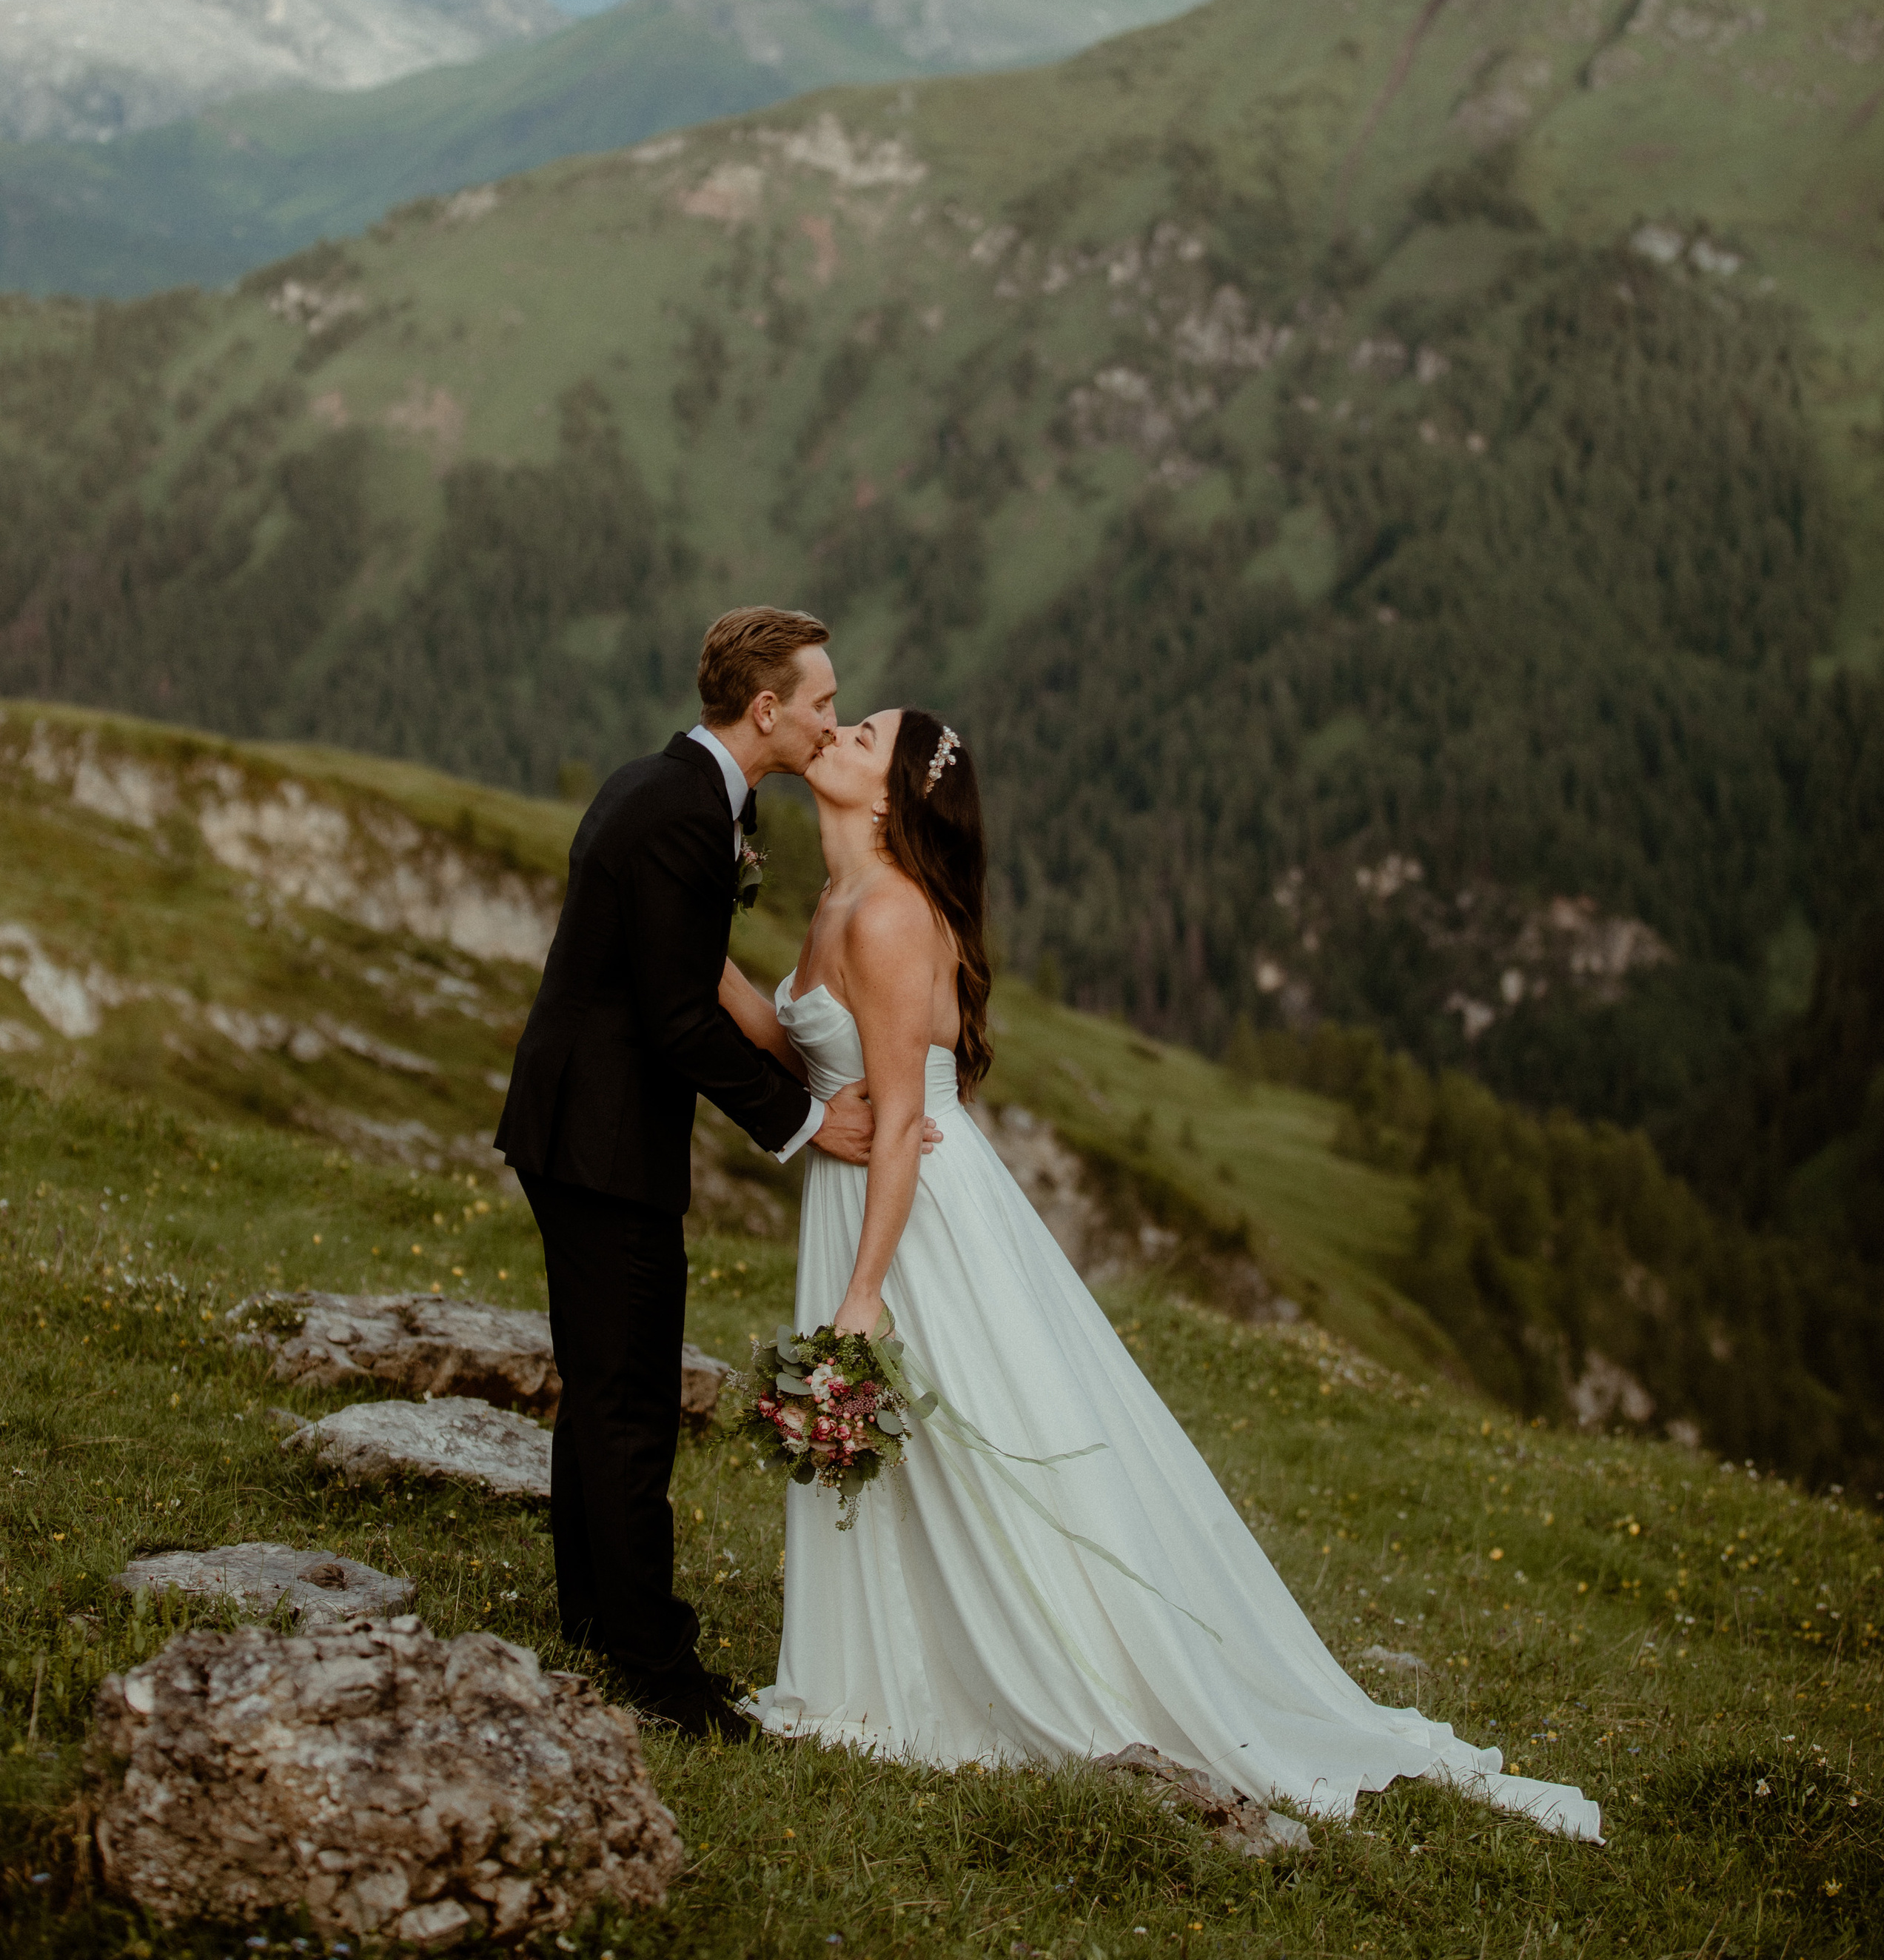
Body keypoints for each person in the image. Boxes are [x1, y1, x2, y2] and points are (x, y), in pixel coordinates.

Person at [718, 707, 1601, 1841]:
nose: (837, 731)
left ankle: (1046, 1666)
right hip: (863, 1194)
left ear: (887, 798)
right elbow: (817, 1057)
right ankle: (895, 1657)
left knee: (980, 1441)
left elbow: (897, 1126)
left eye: (864, 734)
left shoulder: (889, 914)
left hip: (915, 1215)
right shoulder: (839, 900)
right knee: (921, 1450)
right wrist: (714, 972)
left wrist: (861, 1294)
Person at [495, 606, 940, 1742]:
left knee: (602, 1391)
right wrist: (804, 1124)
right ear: (767, 710)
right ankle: (658, 1674)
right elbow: (678, 1019)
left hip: (578, 1130)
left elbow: (683, 980)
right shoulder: (686, 814)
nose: (832, 721)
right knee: (632, 1400)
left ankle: (599, 1627)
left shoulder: (662, 788)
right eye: (824, 704)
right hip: (602, 1143)